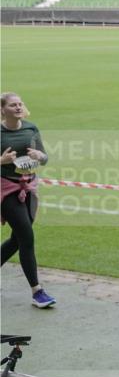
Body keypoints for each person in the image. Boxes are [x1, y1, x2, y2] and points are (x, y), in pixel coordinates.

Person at [1, 92, 56, 309]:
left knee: (17, 239)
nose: (18, 107)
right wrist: (2, 160)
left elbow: (44, 157)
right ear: (2, 110)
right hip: (6, 190)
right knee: (27, 237)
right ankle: (37, 292)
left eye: (20, 104)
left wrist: (39, 157)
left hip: (29, 188)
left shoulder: (31, 128)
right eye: (13, 105)